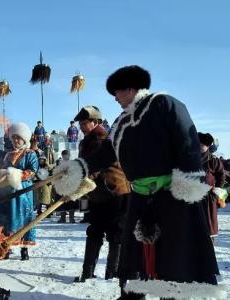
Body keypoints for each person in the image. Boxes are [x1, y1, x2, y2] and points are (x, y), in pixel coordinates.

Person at [106, 65, 222, 299]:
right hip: (139, 197)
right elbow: (106, 153)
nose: (115, 98)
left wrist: (186, 186)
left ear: (130, 88)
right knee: (136, 257)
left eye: (117, 92)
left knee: (172, 258)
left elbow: (187, 141)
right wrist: (78, 168)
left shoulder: (164, 104)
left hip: (171, 196)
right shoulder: (121, 122)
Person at [73, 105, 130, 283]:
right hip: (98, 194)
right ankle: (88, 273)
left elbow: (98, 163)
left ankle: (112, 274)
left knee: (116, 235)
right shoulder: (87, 140)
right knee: (95, 232)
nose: (82, 126)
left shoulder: (101, 137)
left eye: (85, 122)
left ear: (96, 122)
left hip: (115, 192)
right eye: (80, 123)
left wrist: (81, 179)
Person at [0, 122, 39, 260]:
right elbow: (1, 166)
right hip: (6, 191)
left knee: (22, 218)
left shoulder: (30, 154)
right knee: (4, 217)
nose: (15, 140)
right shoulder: (7, 154)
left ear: (24, 139)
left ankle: (24, 248)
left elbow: (33, 171)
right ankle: (5, 247)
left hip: (22, 192)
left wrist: (17, 175)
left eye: (18, 138)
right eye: (13, 137)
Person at [198, 132, 226, 242]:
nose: (199, 146)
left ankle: (210, 245)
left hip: (208, 197)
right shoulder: (191, 158)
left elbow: (221, 174)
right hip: (193, 196)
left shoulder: (213, 160)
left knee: (209, 223)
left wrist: (218, 189)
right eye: (198, 144)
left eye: (202, 145)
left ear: (208, 146)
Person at [55, 150, 77, 223]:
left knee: (71, 202)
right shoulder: (60, 163)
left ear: (69, 155)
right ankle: (63, 218)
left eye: (66, 155)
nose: (65, 156)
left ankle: (71, 218)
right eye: (64, 155)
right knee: (61, 202)